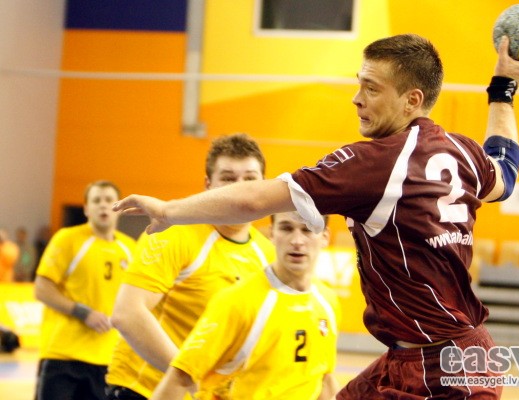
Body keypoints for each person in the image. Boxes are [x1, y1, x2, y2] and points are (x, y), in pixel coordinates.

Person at [113, 33, 519, 399]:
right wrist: (503, 87)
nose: (356, 99)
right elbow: (506, 170)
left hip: (443, 373)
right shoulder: (461, 151)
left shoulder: (374, 163)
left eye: (371, 89)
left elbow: (254, 201)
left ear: (411, 100)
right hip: (436, 356)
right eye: (359, 84)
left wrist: (170, 209)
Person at [105, 133, 276, 400]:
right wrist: (190, 379)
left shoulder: (268, 254)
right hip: (144, 390)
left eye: (250, 179)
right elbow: (127, 314)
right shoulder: (174, 232)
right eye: (228, 179)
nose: (239, 189)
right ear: (208, 185)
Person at [150, 212, 340, 400]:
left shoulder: (327, 301)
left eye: (307, 230)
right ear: (272, 234)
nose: (297, 241)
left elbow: (323, 378)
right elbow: (180, 378)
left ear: (324, 237)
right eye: (286, 228)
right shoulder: (237, 301)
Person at [34, 180, 136, 400]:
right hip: (63, 356)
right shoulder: (67, 239)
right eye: (96, 200)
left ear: (120, 208)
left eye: (109, 200)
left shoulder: (131, 248)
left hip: (108, 360)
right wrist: (83, 312)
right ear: (86, 209)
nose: (103, 205)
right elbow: (42, 289)